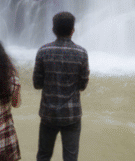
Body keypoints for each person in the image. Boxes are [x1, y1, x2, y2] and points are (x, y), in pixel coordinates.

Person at [33, 11, 89, 161]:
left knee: (43, 155)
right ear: (73, 30)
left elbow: (37, 84)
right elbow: (83, 85)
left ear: (53, 30)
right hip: (72, 114)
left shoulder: (43, 51)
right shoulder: (81, 53)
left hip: (48, 113)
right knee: (71, 157)